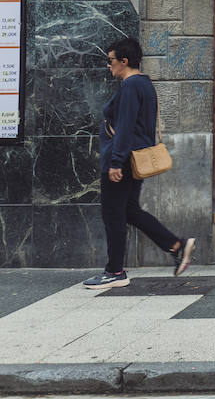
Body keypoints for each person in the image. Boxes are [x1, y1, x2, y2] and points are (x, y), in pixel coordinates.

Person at [83, 37, 195, 290]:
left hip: (122, 161)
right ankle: (176, 245)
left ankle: (115, 271)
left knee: (113, 215)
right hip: (135, 159)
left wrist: (115, 162)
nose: (108, 65)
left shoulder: (131, 87)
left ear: (124, 61)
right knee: (129, 211)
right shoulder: (144, 84)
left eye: (111, 60)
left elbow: (124, 128)